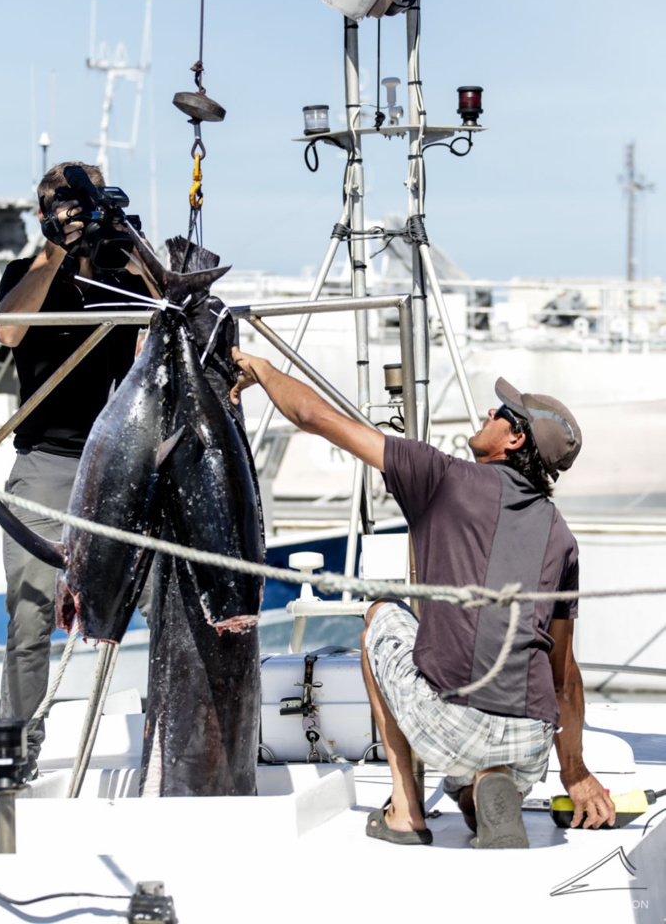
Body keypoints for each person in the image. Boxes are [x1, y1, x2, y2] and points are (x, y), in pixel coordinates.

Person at [229, 349, 616, 847]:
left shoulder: (443, 477)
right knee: (489, 723)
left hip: (454, 724)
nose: (488, 414)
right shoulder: (561, 536)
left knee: (382, 616)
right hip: (532, 740)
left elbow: (315, 416)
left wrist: (260, 368)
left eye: (500, 414)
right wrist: (575, 774)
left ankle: (407, 811)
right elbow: (564, 675)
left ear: (515, 439)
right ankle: (486, 783)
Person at [0, 160, 156, 777]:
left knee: (157, 598)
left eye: (72, 201)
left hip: (115, 465)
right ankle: (12, 756)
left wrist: (120, 234)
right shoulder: (26, 273)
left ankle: (177, 737)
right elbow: (10, 331)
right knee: (31, 613)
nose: (63, 210)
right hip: (46, 465)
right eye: (53, 201)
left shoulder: (122, 273)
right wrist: (52, 252)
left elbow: (170, 300)